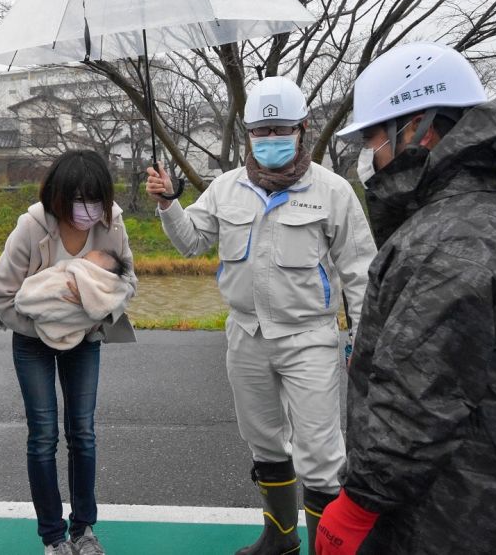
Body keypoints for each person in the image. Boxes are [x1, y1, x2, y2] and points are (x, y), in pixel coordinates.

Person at [315, 42, 496, 555]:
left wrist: (359, 502)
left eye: (373, 136)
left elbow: (420, 399)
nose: (370, 155)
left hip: (450, 520)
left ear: (421, 129)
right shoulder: (491, 220)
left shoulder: (451, 241)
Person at [146, 76, 376, 555]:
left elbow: (359, 269)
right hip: (246, 335)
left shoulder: (333, 191)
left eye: (280, 129)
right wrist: (169, 203)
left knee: (320, 452)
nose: (269, 140)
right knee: (265, 442)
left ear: (303, 129)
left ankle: (325, 548)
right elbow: (191, 243)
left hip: (309, 335)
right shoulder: (227, 188)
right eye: (260, 131)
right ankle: (280, 538)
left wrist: (361, 339)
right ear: (247, 132)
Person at [0, 150, 137, 555]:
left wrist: (91, 315)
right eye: (79, 199)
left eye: (95, 198)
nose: (88, 209)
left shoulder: (111, 223)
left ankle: (84, 530)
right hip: (32, 341)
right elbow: (2, 296)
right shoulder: (31, 228)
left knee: (83, 432)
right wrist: (48, 326)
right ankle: (53, 537)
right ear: (58, 196)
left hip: (87, 338)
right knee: (43, 435)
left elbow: (128, 278)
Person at [14, 249, 134, 350]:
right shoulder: (31, 225)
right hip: (33, 336)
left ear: (100, 273)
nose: (79, 261)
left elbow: (24, 301)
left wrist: (89, 298)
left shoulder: (76, 281)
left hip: (83, 341)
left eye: (85, 261)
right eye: (82, 258)